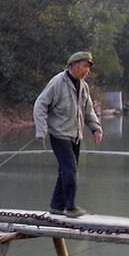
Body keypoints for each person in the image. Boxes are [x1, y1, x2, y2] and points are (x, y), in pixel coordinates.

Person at [33, 51, 103, 218]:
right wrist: (41, 131)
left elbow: (88, 110)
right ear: (74, 65)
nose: (87, 71)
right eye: (85, 66)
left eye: (89, 67)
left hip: (75, 135)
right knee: (70, 170)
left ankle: (56, 206)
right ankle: (70, 207)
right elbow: (40, 105)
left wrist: (96, 128)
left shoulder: (83, 86)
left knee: (66, 171)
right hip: (59, 134)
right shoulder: (57, 82)